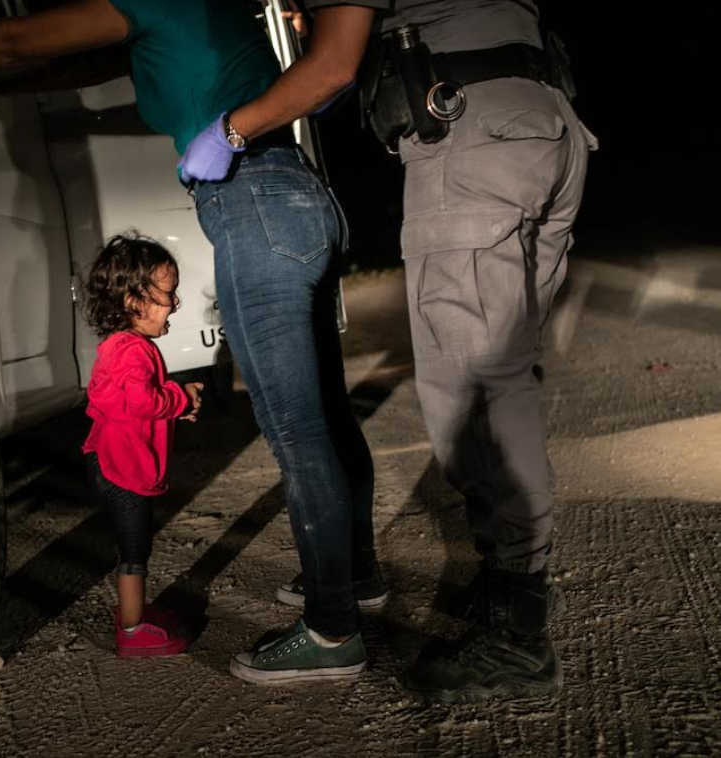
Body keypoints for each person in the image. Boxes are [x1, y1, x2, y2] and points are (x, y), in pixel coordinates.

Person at [0, 0, 385, 684]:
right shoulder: (188, 20)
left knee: (296, 430)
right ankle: (353, 577)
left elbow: (14, 38)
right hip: (295, 196)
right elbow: (49, 65)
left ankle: (332, 627)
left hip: (251, 201)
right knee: (326, 419)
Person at [181, 0, 595, 703]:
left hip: (471, 137)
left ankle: (517, 638)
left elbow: (332, 66)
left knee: (473, 394)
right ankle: (509, 593)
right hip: (545, 122)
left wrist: (229, 129)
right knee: (506, 377)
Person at [81, 234, 201, 657]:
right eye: (167, 294)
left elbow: (129, 402)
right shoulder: (133, 351)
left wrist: (174, 404)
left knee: (133, 545)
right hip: (123, 468)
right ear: (135, 302)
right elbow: (140, 401)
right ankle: (132, 629)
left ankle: (136, 613)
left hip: (109, 460)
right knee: (134, 549)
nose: (175, 303)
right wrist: (180, 398)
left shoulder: (120, 346)